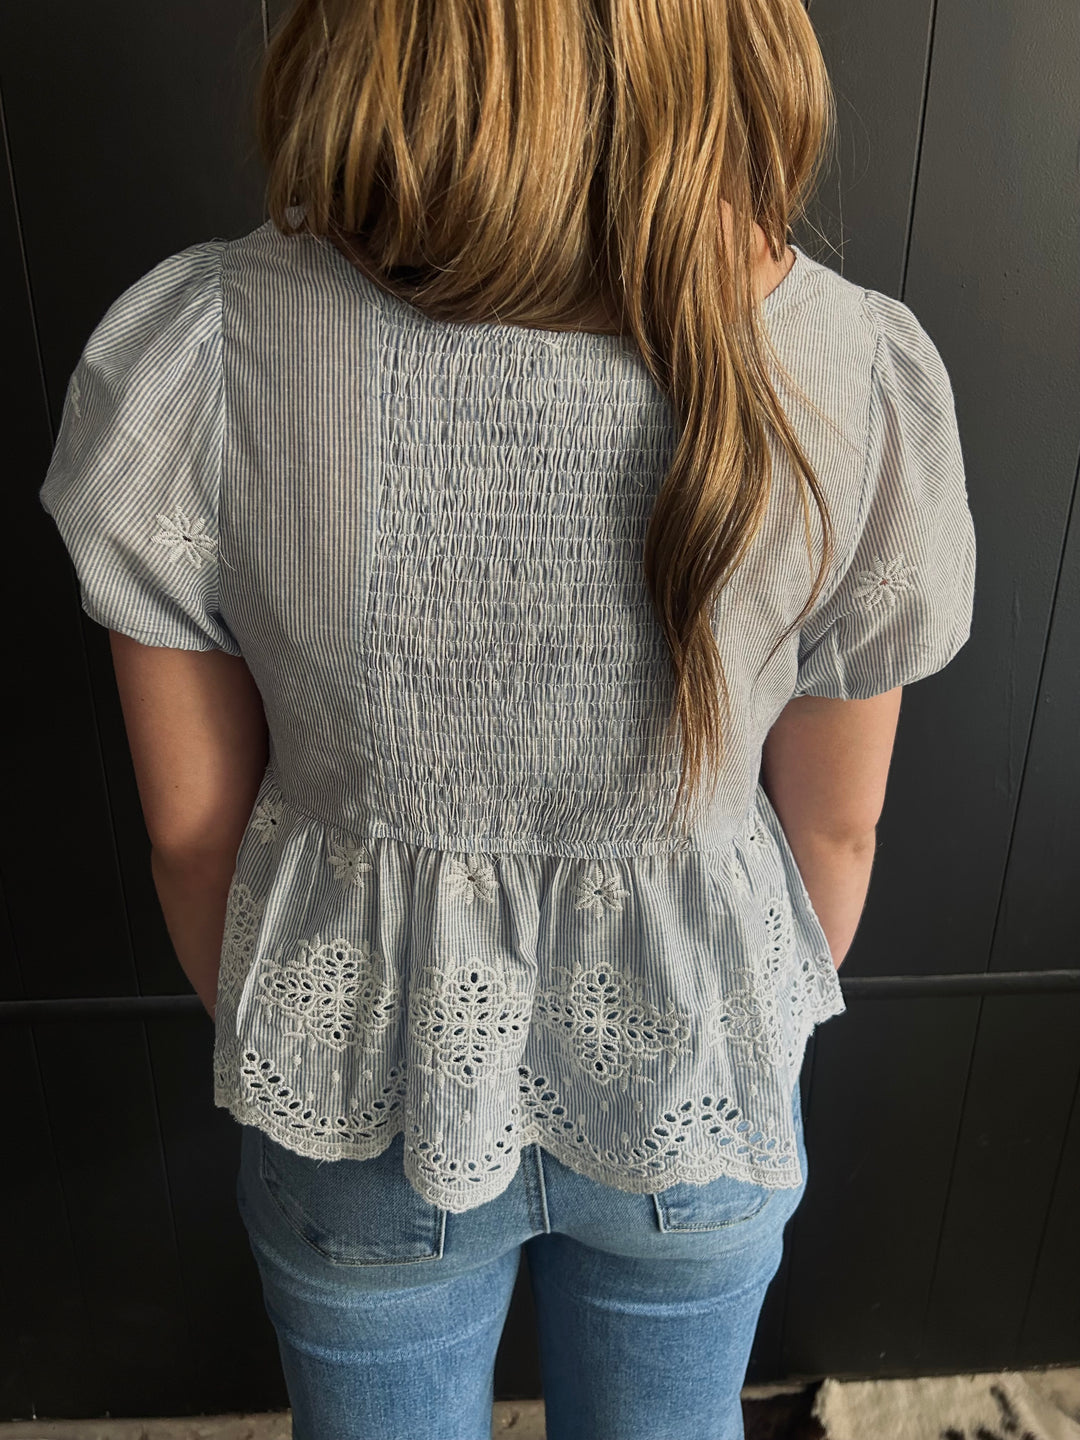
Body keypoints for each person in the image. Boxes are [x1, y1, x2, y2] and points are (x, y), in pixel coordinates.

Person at [37, 0, 977, 1435]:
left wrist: (319, 1045)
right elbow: (837, 832)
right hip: (697, 1080)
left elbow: (189, 835)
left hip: (356, 1086)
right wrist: (711, 1035)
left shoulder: (208, 346)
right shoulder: (850, 361)